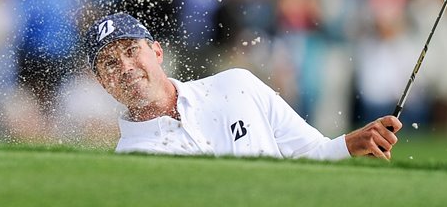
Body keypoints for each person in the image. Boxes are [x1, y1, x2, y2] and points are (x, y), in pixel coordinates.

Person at [84, 12, 402, 160]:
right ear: (102, 83)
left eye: (131, 51)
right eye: (110, 64)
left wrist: (350, 144)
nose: (125, 68)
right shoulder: (132, 159)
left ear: (156, 51)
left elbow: (310, 154)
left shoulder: (235, 84)